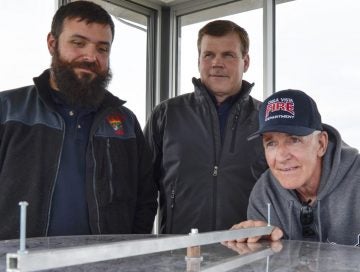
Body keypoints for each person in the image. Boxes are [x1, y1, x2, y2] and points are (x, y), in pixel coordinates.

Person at [0, 1, 158, 240]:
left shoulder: (125, 123)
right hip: (17, 270)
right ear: (52, 44)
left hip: (106, 270)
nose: (91, 56)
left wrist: (127, 253)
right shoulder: (7, 110)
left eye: (102, 49)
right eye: (78, 43)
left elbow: (145, 199)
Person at [144, 20, 267, 234]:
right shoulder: (166, 114)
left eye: (228, 55)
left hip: (248, 252)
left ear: (245, 62)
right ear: (199, 60)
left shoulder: (266, 119)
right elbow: (141, 191)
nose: (216, 63)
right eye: (208, 55)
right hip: (178, 252)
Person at [229, 89, 360, 246]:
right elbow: (265, 269)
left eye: (294, 140)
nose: (282, 157)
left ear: (321, 144)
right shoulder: (264, 194)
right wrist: (258, 248)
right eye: (271, 143)